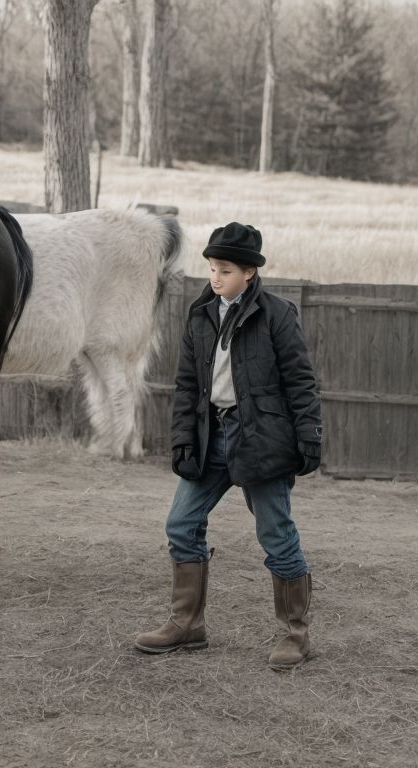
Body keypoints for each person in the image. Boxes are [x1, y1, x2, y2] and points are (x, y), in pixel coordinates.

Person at [134, 222, 323, 669]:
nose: (215, 277)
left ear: (249, 274)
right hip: (209, 436)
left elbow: (301, 382)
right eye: (212, 268)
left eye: (225, 270)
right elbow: (186, 386)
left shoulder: (277, 315)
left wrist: (308, 437)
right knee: (181, 523)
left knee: (276, 535)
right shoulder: (201, 316)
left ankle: (295, 635)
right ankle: (187, 625)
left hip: (261, 440)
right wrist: (182, 440)